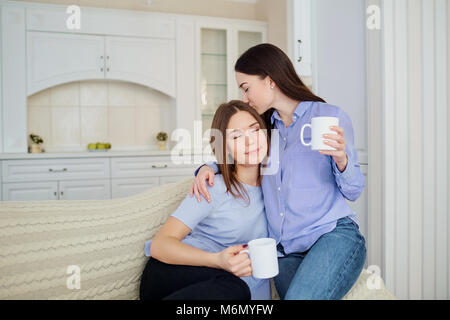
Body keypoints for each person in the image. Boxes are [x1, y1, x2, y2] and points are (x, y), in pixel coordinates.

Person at [191, 43, 367, 300]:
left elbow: (354, 190)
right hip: (286, 251)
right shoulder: (263, 130)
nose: (244, 98)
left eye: (246, 88)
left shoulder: (328, 117)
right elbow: (239, 157)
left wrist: (342, 158)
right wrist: (208, 167)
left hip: (333, 235)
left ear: (269, 80)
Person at [140, 100, 272, 300]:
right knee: (234, 289)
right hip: (173, 275)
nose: (250, 141)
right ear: (224, 148)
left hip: (224, 285)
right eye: (237, 136)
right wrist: (217, 260)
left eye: (255, 131)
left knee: (236, 290)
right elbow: (160, 245)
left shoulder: (275, 189)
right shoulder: (212, 186)